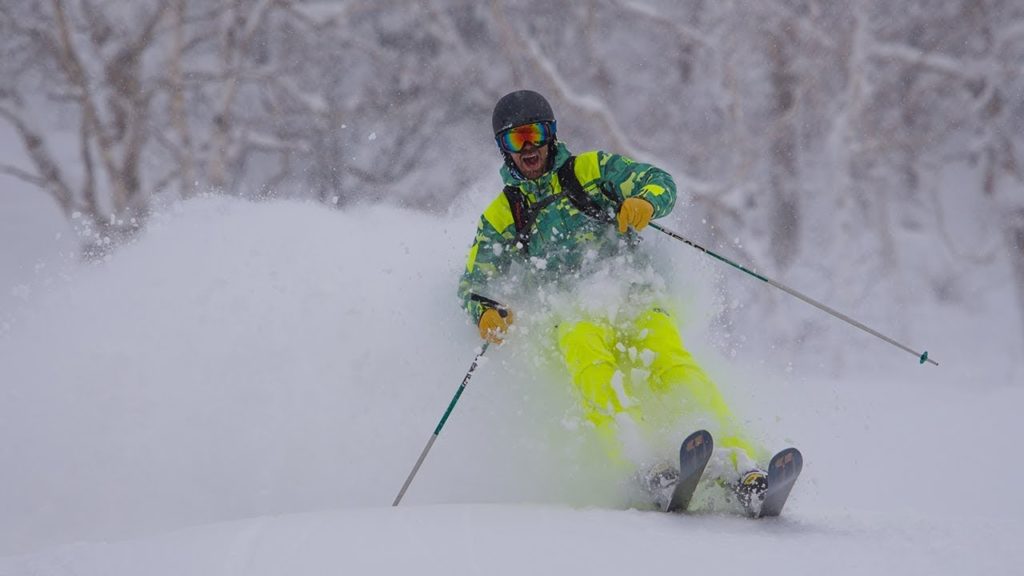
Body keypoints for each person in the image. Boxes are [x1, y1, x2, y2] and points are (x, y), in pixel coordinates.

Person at [457, 89, 767, 512]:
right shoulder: (504, 212)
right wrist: (485, 311)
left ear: (551, 135)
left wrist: (645, 201)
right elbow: (475, 280)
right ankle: (645, 467)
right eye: (515, 140)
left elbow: (660, 182)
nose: (528, 148)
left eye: (534, 134)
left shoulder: (590, 171)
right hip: (571, 312)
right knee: (593, 369)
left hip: (632, 293)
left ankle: (739, 464)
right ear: (503, 148)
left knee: (669, 361)